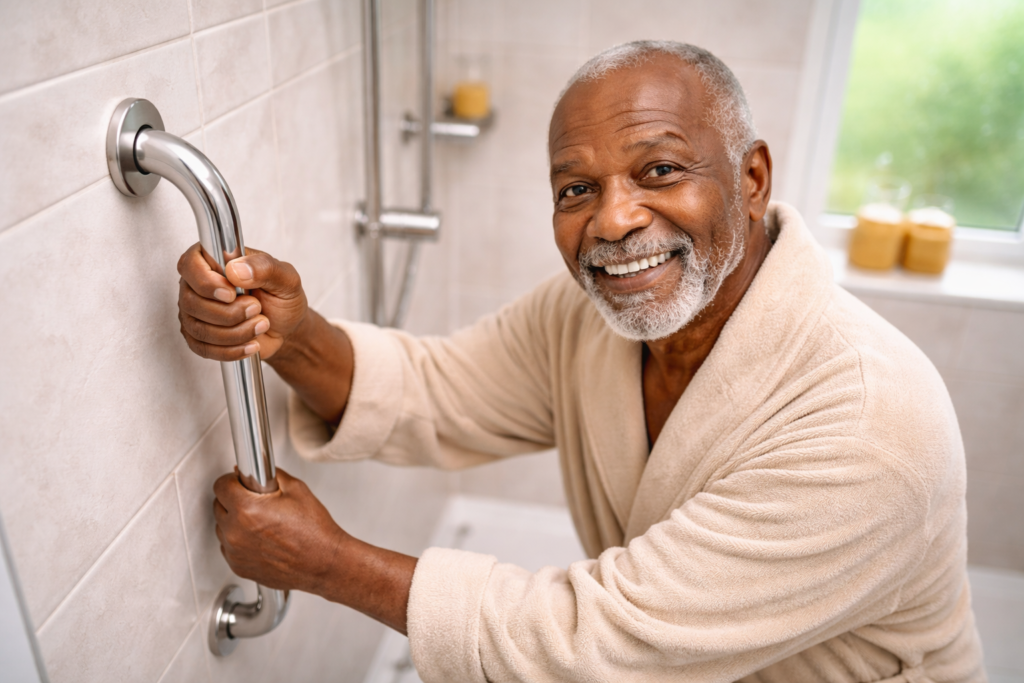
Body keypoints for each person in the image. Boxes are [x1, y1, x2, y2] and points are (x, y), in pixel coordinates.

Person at [177, 41, 984, 682]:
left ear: (752, 179)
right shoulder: (592, 318)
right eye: (575, 189)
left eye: (659, 170)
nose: (614, 220)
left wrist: (330, 562)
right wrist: (290, 333)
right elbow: (440, 391)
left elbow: (602, 645)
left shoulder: (869, 420)